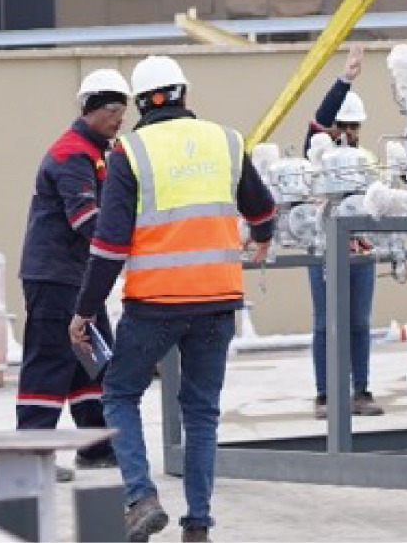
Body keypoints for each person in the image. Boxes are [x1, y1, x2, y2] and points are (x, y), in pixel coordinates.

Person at [69, 54, 276, 543]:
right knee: (201, 412)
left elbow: (109, 245)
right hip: (218, 301)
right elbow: (262, 209)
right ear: (185, 93)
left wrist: (84, 310)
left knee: (120, 394)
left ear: (140, 102)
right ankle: (198, 524)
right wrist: (263, 235)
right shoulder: (227, 141)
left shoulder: (130, 152)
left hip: (155, 304)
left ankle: (141, 498)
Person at [17, 68, 131, 477]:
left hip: (78, 277)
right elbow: (86, 219)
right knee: (49, 362)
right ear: (90, 109)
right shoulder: (73, 154)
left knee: (92, 360)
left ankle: (96, 447)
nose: (120, 117)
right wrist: (132, 243)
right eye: (112, 109)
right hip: (55, 277)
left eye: (123, 109)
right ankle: (31, 458)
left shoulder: (98, 152)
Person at [304, 42, 383, 419]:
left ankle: (360, 391)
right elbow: (318, 122)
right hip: (322, 249)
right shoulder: (317, 153)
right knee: (325, 323)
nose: (349, 132)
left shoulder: (367, 160)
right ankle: (325, 395)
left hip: (360, 250)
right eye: (344, 125)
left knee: (359, 323)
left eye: (355, 126)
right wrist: (345, 80)